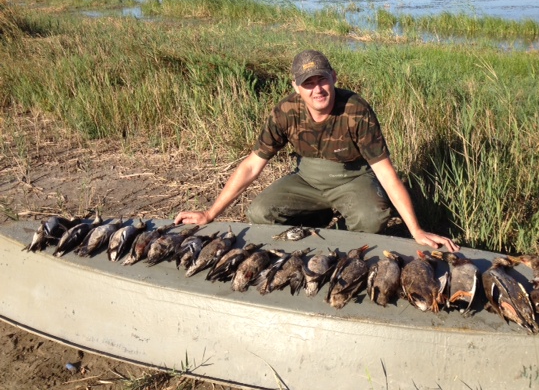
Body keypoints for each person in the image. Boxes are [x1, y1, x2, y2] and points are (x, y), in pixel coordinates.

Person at [174, 50, 459, 252]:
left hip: (353, 178)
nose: (317, 89)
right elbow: (251, 166)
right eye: (308, 83)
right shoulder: (286, 112)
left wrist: (416, 230)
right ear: (296, 87)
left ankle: (347, 251)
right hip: (307, 179)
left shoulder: (356, 110)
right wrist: (209, 214)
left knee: (371, 219)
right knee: (259, 212)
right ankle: (313, 227)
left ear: (334, 77)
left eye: (322, 79)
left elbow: (385, 173)